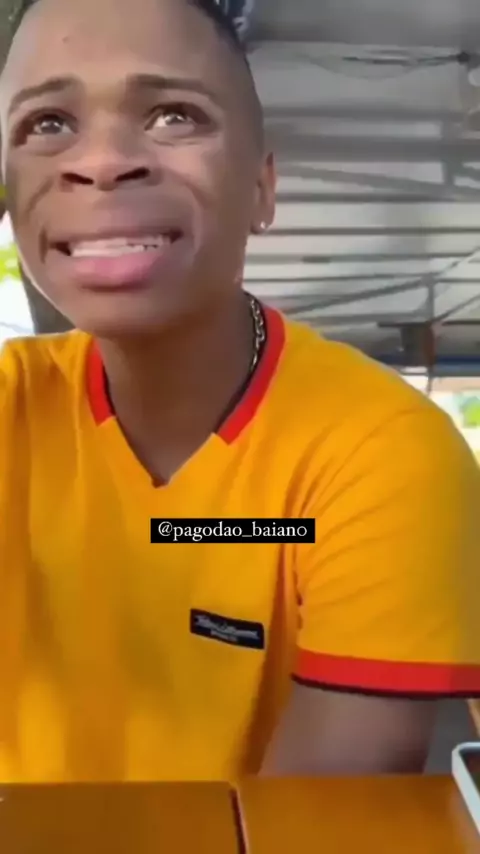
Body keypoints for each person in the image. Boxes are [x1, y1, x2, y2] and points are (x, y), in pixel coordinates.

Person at [0, 0, 479, 785]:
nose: (103, 162)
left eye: (173, 115)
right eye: (47, 123)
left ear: (262, 187)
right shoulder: (11, 407)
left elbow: (311, 821)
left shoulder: (381, 451)